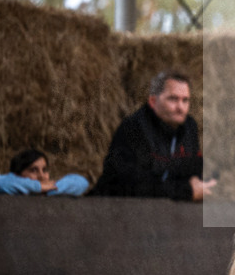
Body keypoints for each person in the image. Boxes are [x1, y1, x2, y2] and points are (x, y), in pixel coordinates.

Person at [90, 70, 216, 201]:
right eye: (173, 99)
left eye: (185, 100)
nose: (180, 107)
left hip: (166, 212)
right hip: (112, 209)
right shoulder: (134, 129)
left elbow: (192, 170)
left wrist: (198, 182)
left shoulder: (189, 127)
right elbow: (133, 185)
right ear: (153, 101)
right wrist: (185, 191)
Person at [0, 148, 89, 196]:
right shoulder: (11, 188)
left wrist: (51, 189)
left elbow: (81, 182)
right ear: (17, 174)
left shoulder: (49, 192)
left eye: (44, 170)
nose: (42, 176)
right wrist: (37, 187)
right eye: (34, 170)